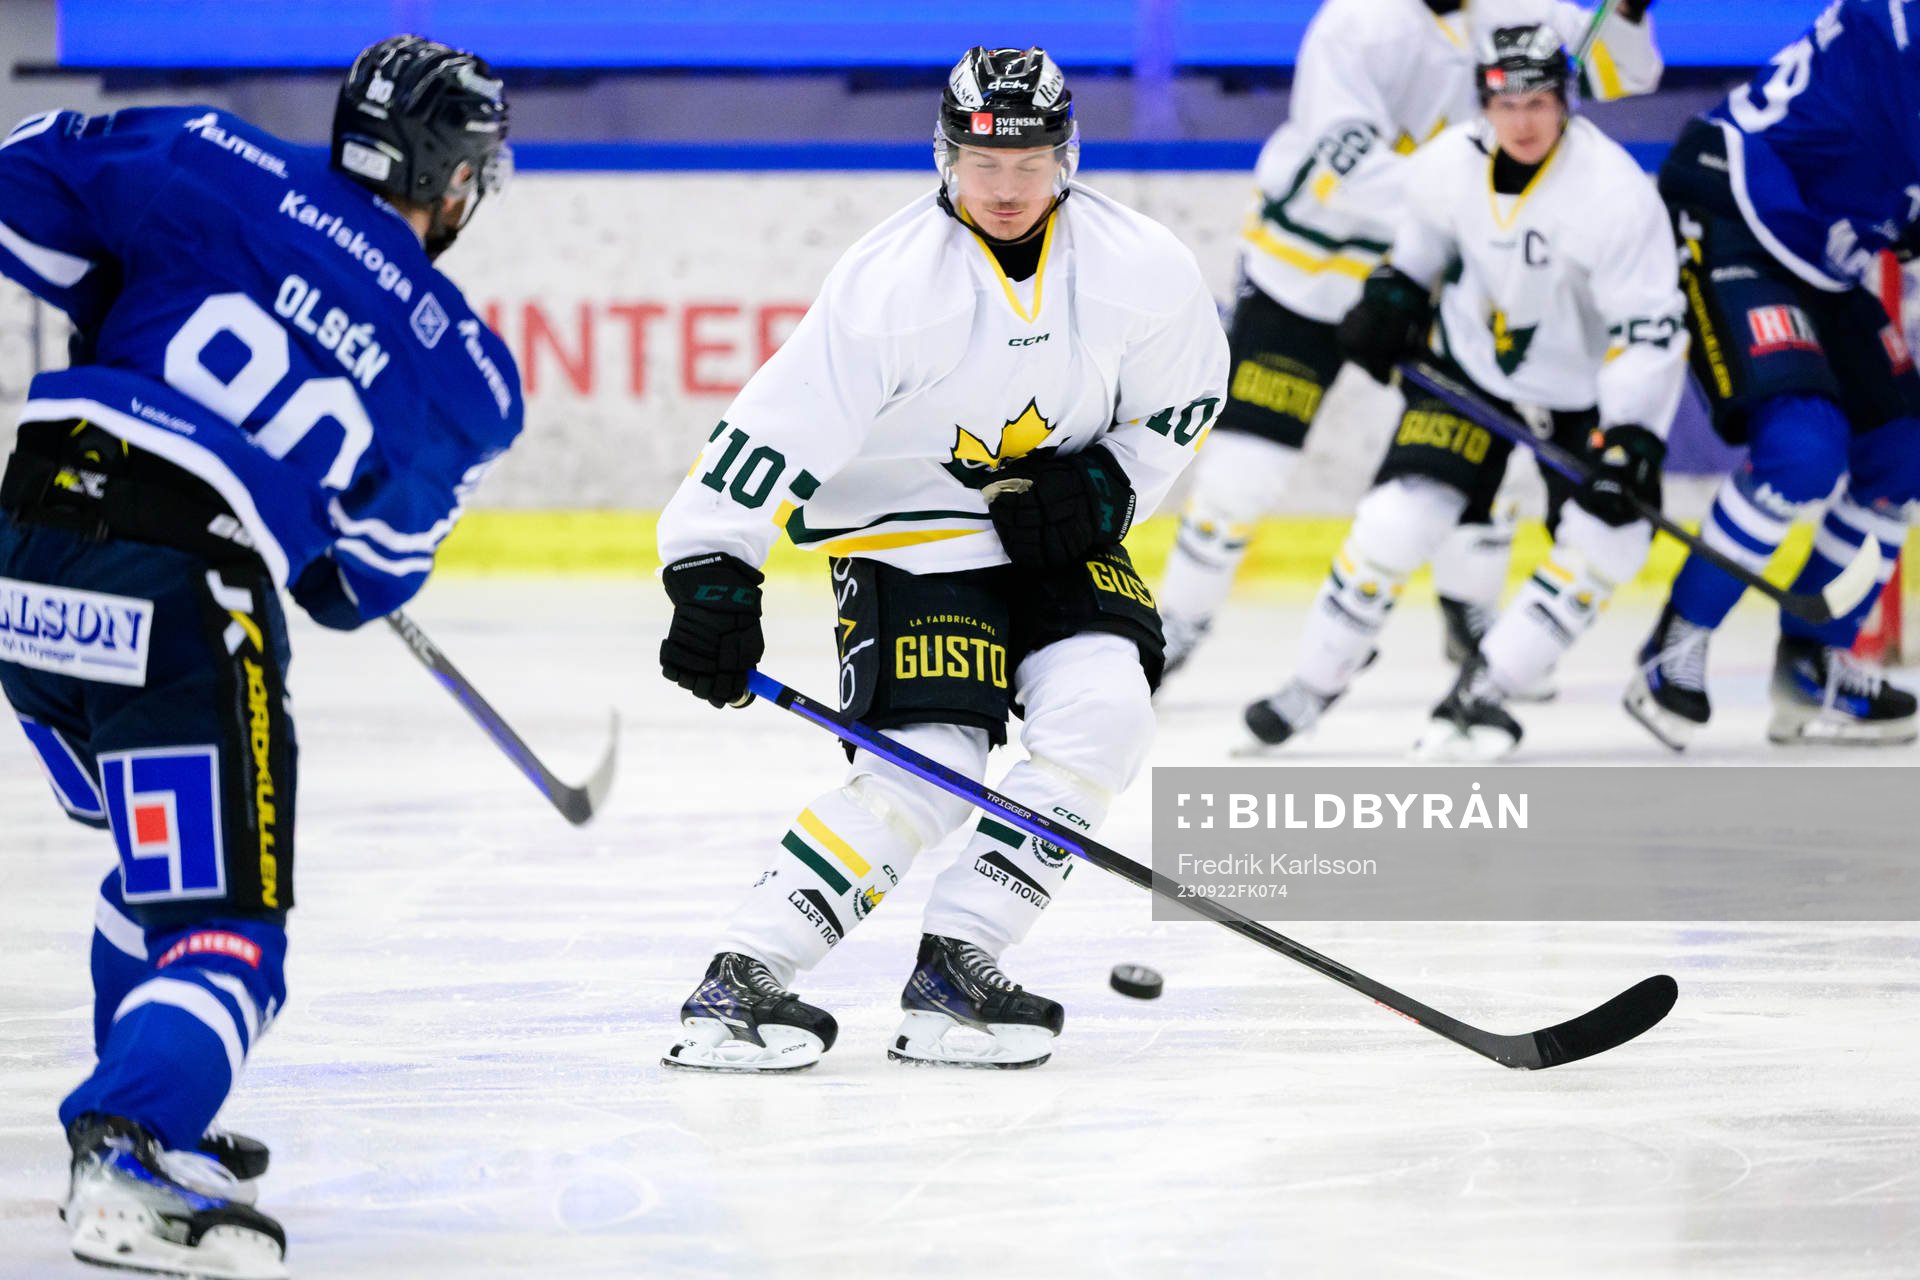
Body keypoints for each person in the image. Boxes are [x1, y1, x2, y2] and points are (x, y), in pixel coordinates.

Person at [0, 35, 519, 1277]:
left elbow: (24, 192)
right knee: (233, 926)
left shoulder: (202, 151)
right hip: (181, 589)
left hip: (29, 545)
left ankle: (148, 1090)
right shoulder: (467, 370)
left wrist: (133, 294)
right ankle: (126, 1146)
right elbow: (356, 585)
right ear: (454, 182)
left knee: (154, 852)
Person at [654, 46, 1227, 1071]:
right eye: (981, 162)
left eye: (1029, 162)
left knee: (1105, 709)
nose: (1004, 188)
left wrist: (1113, 482)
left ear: (1066, 157)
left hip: (1055, 526)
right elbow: (773, 429)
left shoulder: (1141, 266)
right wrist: (712, 565)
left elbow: (1186, 399)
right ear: (946, 155)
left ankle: (960, 963)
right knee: (932, 763)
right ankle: (742, 973)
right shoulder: (889, 286)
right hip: (906, 536)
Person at [1154, 0, 1661, 679]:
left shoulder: (1526, 9)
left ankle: (1468, 616)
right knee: (1244, 472)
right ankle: (1177, 625)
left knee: (1470, 457)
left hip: (1443, 272)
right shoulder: (1355, 23)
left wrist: (1626, 13)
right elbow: (1344, 165)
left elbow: (1609, 72)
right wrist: (1475, 203)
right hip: (1309, 270)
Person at [1241, 24, 1686, 759]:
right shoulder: (1448, 164)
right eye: (1507, 103)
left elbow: (1648, 331)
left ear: (1565, 100)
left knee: (1611, 541)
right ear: (1482, 100)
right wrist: (1394, 296)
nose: (1523, 121)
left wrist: (1633, 435)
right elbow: (1423, 245)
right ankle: (1315, 682)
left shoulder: (1617, 197)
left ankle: (1485, 690)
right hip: (1473, 371)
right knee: (1393, 521)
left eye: (1540, 102)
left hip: (1581, 392)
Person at [1627, 0, 1920, 749]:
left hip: (1826, 252)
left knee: (1904, 450)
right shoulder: (1898, 23)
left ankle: (1811, 666)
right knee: (1802, 447)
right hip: (1735, 205)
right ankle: (1673, 648)